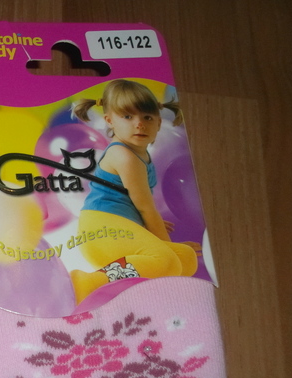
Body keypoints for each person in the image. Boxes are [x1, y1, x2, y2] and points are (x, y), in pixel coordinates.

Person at [69, 79, 201, 302]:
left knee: (186, 258)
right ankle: (90, 282)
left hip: (119, 226)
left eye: (147, 117)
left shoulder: (140, 153)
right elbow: (145, 206)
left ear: (158, 123)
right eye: (128, 117)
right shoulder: (124, 156)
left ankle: (139, 295)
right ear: (110, 121)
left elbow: (131, 203)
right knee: (167, 260)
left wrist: (142, 227)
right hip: (101, 228)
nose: (139, 124)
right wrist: (165, 245)